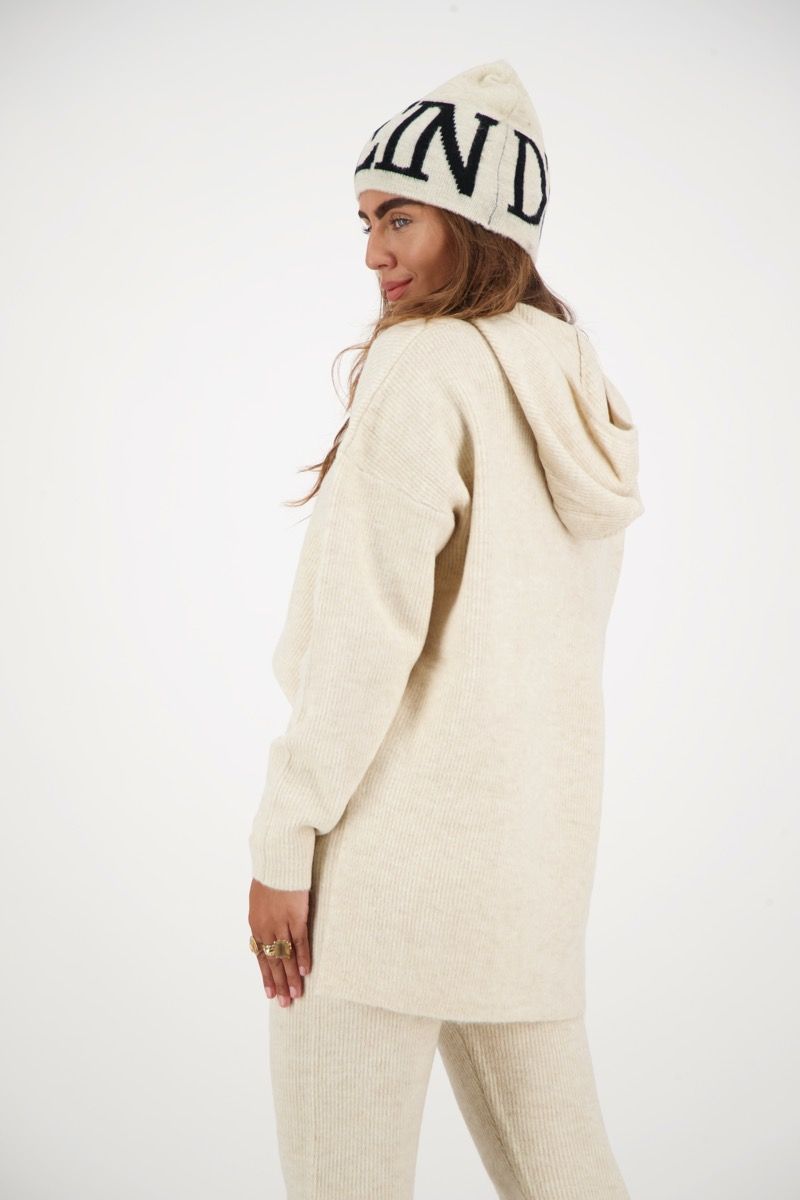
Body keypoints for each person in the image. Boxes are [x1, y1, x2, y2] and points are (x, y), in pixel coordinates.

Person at [247, 58, 643, 1199]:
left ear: (477, 223)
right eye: (367, 221)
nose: (373, 253)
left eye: (400, 218)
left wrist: (283, 844)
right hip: (525, 870)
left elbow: (362, 635)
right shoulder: (573, 379)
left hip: (378, 876)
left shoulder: (425, 365)